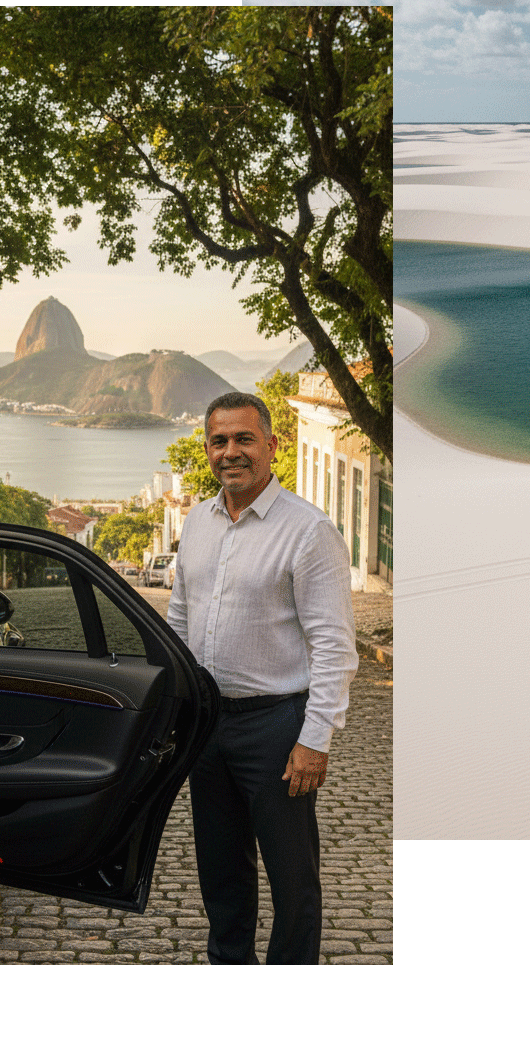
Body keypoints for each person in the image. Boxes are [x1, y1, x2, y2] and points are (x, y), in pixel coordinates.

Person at [167, 391, 358, 965]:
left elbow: (333, 644)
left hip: (277, 726)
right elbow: (180, 614)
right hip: (208, 724)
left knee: (293, 877)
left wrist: (314, 739)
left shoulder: (308, 530)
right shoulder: (198, 521)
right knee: (220, 869)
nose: (232, 452)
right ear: (208, 450)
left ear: (272, 446)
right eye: (219, 441)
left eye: (244, 439)